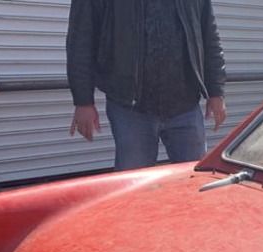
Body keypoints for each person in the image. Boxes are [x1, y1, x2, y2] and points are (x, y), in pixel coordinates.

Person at [66, 0, 227, 171]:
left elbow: (209, 35)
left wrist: (216, 91)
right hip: (130, 109)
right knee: (132, 189)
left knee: (195, 184)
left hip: (186, 105)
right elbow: (80, 39)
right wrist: (83, 101)